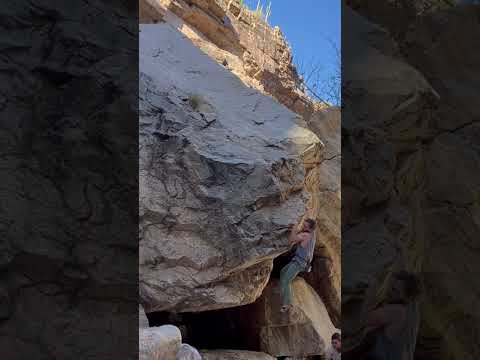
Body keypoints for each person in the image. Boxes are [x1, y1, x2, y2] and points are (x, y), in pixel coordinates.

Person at [362, 271, 420, 360]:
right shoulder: (409, 311)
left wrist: (369, 294)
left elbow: (366, 319)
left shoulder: (398, 311)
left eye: (395, 290)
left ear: (406, 296)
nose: (389, 291)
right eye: (390, 287)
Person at [279, 218, 316, 313]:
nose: (303, 226)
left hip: (299, 263)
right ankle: (285, 294)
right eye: (304, 224)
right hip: (299, 261)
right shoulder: (312, 234)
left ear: (310, 229)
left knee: (286, 280)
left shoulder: (305, 235)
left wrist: (294, 228)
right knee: (282, 272)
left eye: (305, 226)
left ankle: (287, 304)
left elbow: (292, 239)